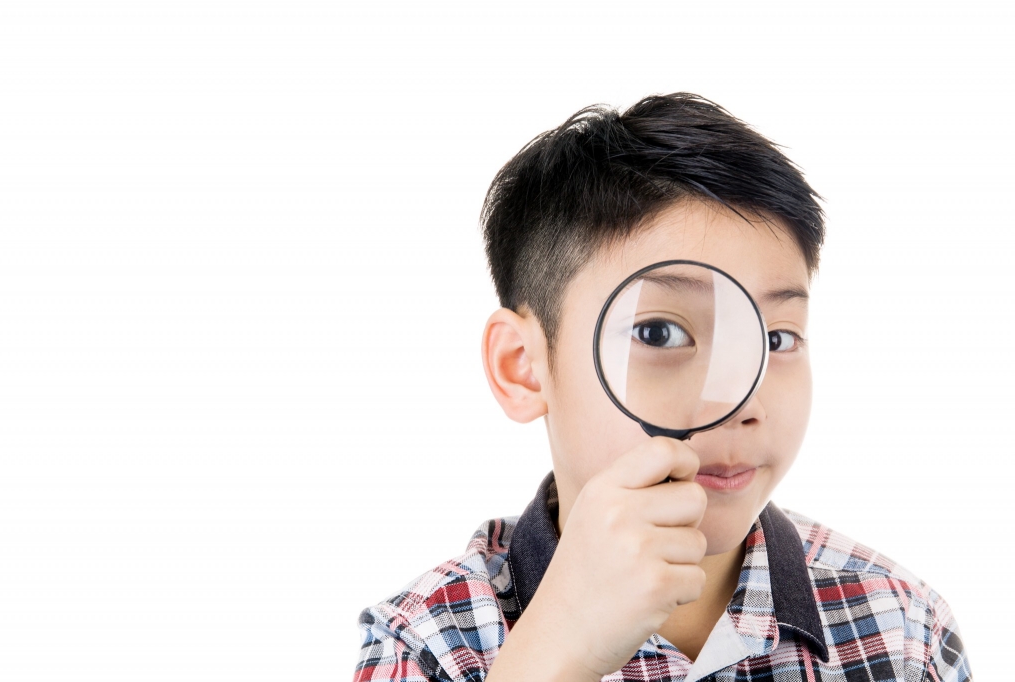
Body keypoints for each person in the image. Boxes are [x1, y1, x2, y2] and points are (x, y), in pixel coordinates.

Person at [351, 93, 972, 682]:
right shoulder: (429, 639)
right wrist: (554, 652)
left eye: (777, 340)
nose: (742, 403)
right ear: (522, 366)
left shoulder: (903, 626)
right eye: (659, 332)